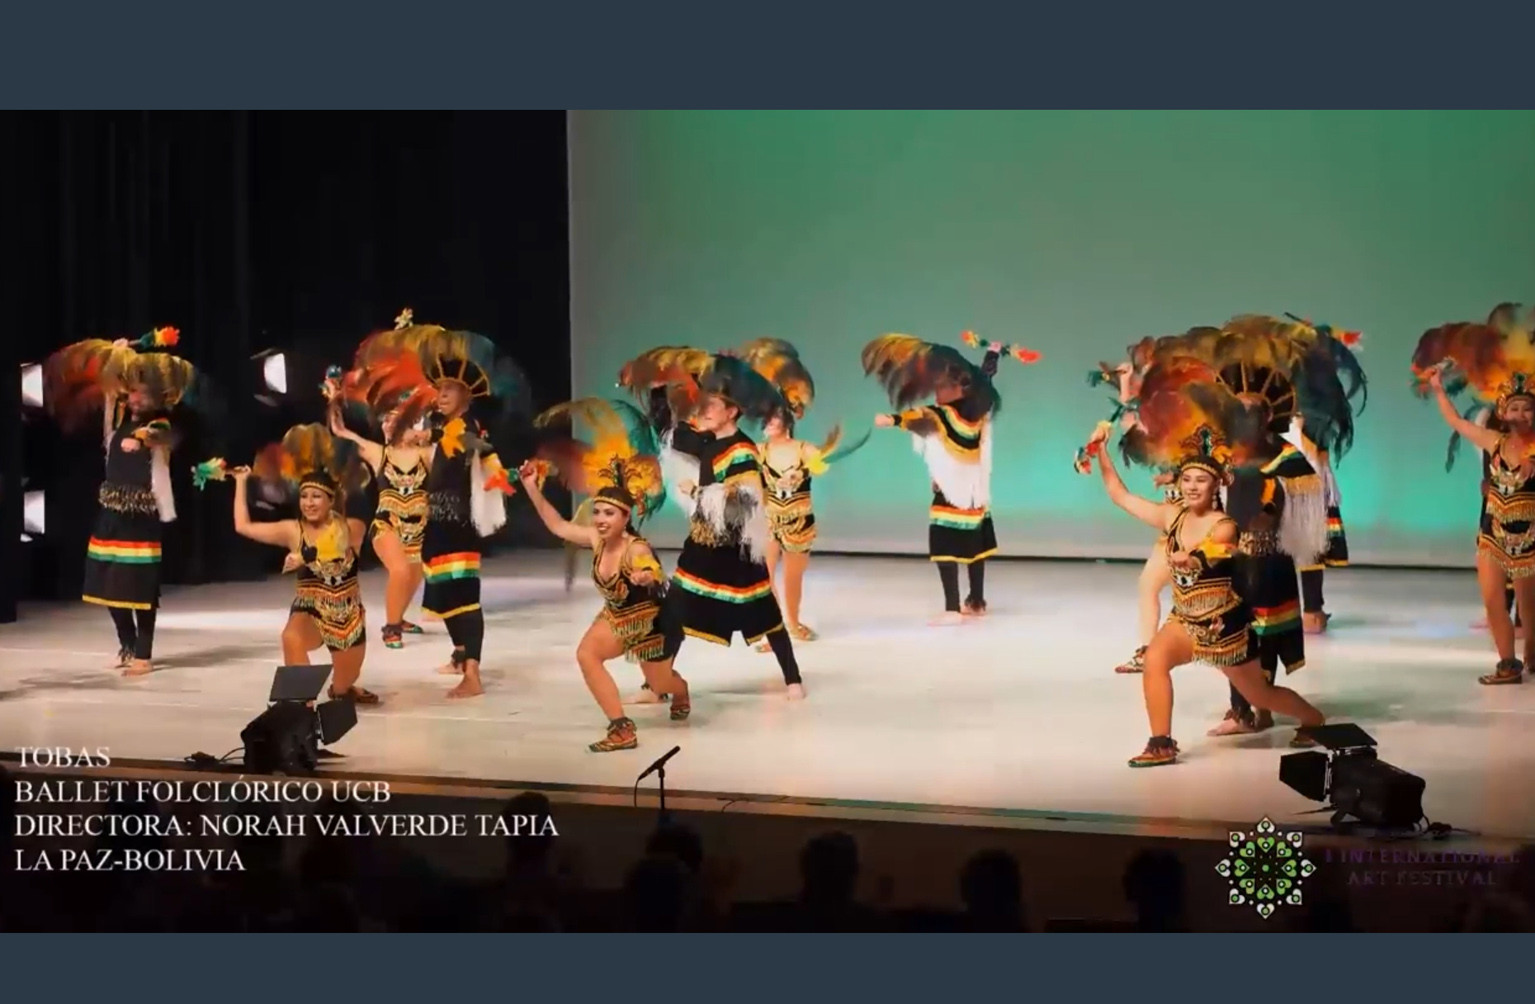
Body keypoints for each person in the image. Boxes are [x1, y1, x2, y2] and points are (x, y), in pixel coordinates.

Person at [1087, 407, 1327, 766]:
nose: (1192, 486)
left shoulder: (1224, 523)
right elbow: (1119, 495)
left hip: (1223, 627)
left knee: (1259, 694)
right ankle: (1161, 743)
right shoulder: (1172, 516)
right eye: (1187, 479)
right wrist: (1102, 451)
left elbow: (1216, 550)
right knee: (1154, 660)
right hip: (1185, 620)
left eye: (1201, 480)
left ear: (1216, 485)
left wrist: (1193, 559)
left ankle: (1313, 719)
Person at [346, 312, 527, 698]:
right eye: (439, 389)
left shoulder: (468, 428)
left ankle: (472, 674)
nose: (440, 395)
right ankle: (461, 658)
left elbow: (482, 449)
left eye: (448, 390)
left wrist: (499, 473)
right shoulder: (445, 429)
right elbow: (433, 438)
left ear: (466, 396)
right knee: (444, 597)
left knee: (463, 599)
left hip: (457, 527)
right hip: (438, 526)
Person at [518, 397, 690, 750]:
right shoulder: (596, 539)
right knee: (587, 655)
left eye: (609, 514)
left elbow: (652, 571)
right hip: (616, 616)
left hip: (652, 625)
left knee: (661, 684)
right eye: (597, 512)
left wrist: (646, 576)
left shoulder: (635, 548)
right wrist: (531, 488)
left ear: (625, 518)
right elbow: (559, 526)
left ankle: (681, 690)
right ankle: (622, 728)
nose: (599, 519)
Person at [43, 329, 196, 676]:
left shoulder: (159, 424)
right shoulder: (116, 422)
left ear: (155, 397)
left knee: (140, 589)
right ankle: (127, 645)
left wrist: (141, 439)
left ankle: (144, 654)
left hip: (141, 517)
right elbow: (110, 388)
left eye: (142, 393)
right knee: (107, 585)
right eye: (133, 391)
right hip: (110, 513)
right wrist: (117, 355)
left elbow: (160, 435)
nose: (135, 397)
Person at [658, 354, 807, 699]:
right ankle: (656, 685)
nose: (704, 411)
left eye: (712, 405)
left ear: (732, 411)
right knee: (675, 611)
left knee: (766, 615)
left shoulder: (742, 450)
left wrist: (697, 493)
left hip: (735, 550)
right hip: (703, 545)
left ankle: (793, 679)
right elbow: (674, 435)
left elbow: (743, 502)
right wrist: (665, 389)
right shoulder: (709, 442)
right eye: (702, 405)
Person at [864, 331, 1037, 624]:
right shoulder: (978, 412)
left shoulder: (944, 415)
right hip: (974, 493)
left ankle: (952, 608)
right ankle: (976, 601)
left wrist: (891, 419)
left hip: (953, 493)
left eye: (942, 387)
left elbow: (920, 416)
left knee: (945, 547)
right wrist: (993, 355)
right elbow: (985, 378)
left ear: (959, 389)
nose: (937, 393)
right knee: (974, 549)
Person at [227, 424, 375, 702]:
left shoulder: (351, 526)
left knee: (342, 687)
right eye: (304, 496)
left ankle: (343, 688)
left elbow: (337, 544)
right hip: (310, 609)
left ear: (331, 501)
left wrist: (306, 556)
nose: (309, 503)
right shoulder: (292, 530)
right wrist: (241, 482)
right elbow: (243, 526)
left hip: (347, 615)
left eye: (316, 496)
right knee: (291, 637)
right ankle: (301, 706)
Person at [1425, 365, 1535, 683]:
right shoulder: (1494, 441)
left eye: (1527, 408)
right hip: (1492, 536)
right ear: (1503, 412)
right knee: (1492, 601)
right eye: (1514, 407)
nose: (1520, 414)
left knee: (1529, 609)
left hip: (1530, 541)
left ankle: (1532, 653)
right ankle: (1507, 664)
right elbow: (1456, 421)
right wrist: (1438, 388)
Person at [327, 377, 433, 649]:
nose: (387, 425)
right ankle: (391, 627)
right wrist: (335, 401)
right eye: (385, 420)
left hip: (419, 527)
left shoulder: (426, 454)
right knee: (400, 570)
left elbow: (453, 446)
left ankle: (399, 616)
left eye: (393, 420)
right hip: (388, 524)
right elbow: (340, 430)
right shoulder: (377, 453)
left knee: (414, 576)